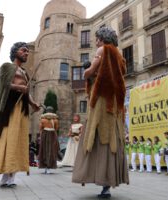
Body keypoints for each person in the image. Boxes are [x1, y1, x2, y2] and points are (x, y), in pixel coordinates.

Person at [72, 26, 129, 198]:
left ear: (103, 39)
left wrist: (88, 69)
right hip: (115, 103)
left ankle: (98, 177)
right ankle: (107, 183)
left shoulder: (102, 49)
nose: (96, 41)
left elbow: (89, 73)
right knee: (112, 137)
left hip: (102, 101)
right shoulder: (119, 56)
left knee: (96, 134)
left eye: (97, 38)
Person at [0, 42, 40, 188]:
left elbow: (26, 92)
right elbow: (4, 86)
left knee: (18, 141)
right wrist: (19, 87)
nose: (26, 53)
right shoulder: (7, 67)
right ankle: (5, 176)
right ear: (15, 52)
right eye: (23, 50)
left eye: (28, 51)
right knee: (9, 138)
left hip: (22, 111)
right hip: (10, 109)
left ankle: (11, 177)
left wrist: (33, 103)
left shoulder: (25, 72)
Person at [38, 106, 59, 174]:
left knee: (44, 150)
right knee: (52, 150)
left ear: (46, 111)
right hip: (53, 134)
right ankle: (49, 167)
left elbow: (41, 128)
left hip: (45, 134)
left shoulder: (42, 120)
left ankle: (45, 167)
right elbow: (56, 128)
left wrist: (41, 135)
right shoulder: (55, 120)